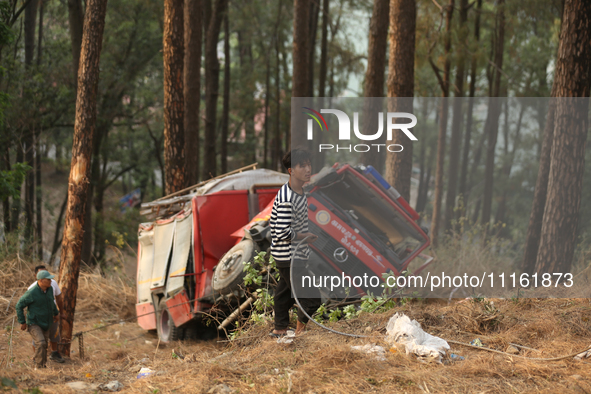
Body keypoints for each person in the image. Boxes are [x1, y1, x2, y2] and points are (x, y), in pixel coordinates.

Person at [270, 148, 321, 337]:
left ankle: (279, 330)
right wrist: (305, 236)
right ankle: (299, 335)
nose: (307, 169)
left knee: (283, 295)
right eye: (302, 166)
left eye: (308, 164)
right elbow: (282, 231)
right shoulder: (287, 197)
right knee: (312, 298)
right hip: (289, 257)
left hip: (292, 255)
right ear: (291, 170)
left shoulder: (299, 191)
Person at [16, 270, 60, 368]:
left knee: (44, 345)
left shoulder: (49, 290)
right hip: (34, 322)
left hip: (47, 322)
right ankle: (38, 366)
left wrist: (56, 313)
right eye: (48, 279)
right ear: (41, 281)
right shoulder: (31, 293)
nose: (50, 281)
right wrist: (22, 322)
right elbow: (19, 306)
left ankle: (43, 365)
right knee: (40, 343)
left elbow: (52, 303)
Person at [28, 265, 65, 363]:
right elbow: (25, 306)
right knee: (39, 339)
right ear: (37, 277)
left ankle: (54, 353)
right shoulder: (31, 289)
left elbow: (57, 299)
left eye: (47, 274)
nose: (47, 278)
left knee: (54, 334)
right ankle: (37, 357)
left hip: (52, 315)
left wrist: (59, 312)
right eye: (43, 275)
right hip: (39, 318)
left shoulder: (52, 284)